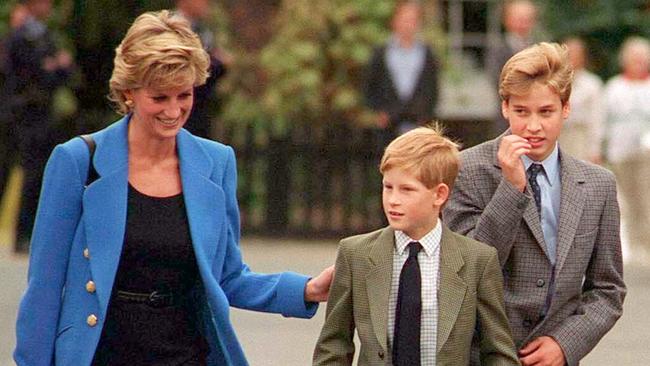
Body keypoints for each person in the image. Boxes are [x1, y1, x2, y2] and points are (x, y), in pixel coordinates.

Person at [14, 10, 333, 366]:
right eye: (159, 98)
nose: (174, 110)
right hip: (102, 354)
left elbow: (227, 276)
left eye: (184, 95)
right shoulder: (77, 161)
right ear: (128, 93)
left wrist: (305, 290)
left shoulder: (216, 163)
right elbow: (43, 289)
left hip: (186, 354)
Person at [444, 43, 626, 366]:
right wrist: (511, 188)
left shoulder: (598, 185)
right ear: (504, 108)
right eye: (521, 112)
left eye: (546, 112)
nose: (533, 126)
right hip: (481, 355)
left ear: (565, 108)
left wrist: (564, 344)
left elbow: (608, 289)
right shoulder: (467, 169)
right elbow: (463, 272)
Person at [313, 126, 519, 365]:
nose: (393, 200)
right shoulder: (355, 254)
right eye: (387, 187)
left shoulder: (477, 261)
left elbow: (498, 352)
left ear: (439, 195)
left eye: (407, 190)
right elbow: (333, 345)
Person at [4, 0, 73, 252]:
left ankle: (26, 234)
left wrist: (55, 67)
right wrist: (51, 67)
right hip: (21, 113)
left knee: (36, 176)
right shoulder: (21, 35)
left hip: (42, 115)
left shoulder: (45, 34)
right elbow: (26, 72)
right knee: (13, 171)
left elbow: (64, 72)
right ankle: (21, 234)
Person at [603, 36, 650, 262]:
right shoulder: (614, 87)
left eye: (642, 59)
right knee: (626, 202)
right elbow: (604, 120)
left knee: (646, 200)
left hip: (646, 154)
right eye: (634, 59)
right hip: (619, 153)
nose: (638, 63)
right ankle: (632, 246)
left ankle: (646, 245)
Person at [364, 1, 439, 143]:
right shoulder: (381, 52)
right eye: (404, 20)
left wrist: (426, 116)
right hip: (388, 124)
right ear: (395, 21)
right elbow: (370, 85)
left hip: (417, 123)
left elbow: (432, 88)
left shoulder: (427, 53)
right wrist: (379, 113)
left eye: (412, 20)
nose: (408, 25)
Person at [175, 0, 230, 139]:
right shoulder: (172, 28)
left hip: (201, 108)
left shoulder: (204, 30)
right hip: (179, 110)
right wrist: (217, 62)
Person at [488, 0, 540, 134]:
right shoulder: (498, 49)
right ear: (507, 20)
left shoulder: (540, 48)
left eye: (527, 19)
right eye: (519, 19)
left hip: (537, 119)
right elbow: (497, 81)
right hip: (507, 120)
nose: (523, 24)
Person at [559, 37, 605, 163]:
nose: (572, 57)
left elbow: (597, 119)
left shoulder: (592, 84)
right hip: (559, 136)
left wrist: (595, 149)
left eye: (576, 54)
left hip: (581, 137)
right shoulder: (554, 82)